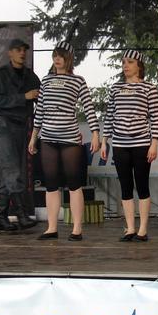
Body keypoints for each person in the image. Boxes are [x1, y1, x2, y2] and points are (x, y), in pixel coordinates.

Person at [28, 42, 100, 241]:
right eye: (55, 55)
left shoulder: (78, 80)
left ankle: (77, 228)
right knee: (50, 184)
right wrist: (34, 137)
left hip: (70, 138)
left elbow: (89, 107)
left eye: (61, 55)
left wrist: (95, 133)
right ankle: (52, 228)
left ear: (69, 59)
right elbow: (39, 111)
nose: (57, 59)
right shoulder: (46, 80)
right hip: (48, 138)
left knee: (74, 184)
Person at [100, 50, 158, 242]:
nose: (126, 65)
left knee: (142, 185)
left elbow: (155, 117)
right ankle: (130, 228)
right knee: (125, 186)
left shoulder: (149, 88)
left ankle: (142, 229)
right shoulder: (116, 88)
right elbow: (110, 115)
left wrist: (154, 144)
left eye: (130, 62)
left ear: (139, 65)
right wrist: (104, 141)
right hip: (120, 143)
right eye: (124, 62)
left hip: (141, 142)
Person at [0, 37, 41, 232]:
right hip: (3, 126)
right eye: (18, 50)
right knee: (13, 172)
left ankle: (0, 217)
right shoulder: (0, 75)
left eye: (24, 50)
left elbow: (42, 96)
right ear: (10, 53)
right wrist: (23, 97)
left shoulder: (30, 76)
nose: (22, 53)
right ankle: (21, 214)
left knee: (10, 173)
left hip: (21, 128)